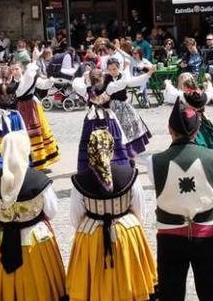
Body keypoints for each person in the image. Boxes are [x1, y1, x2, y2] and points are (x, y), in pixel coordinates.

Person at [147, 100, 213, 301]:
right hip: (206, 232)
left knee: (171, 293)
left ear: (169, 129)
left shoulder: (153, 161)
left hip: (170, 235)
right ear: (197, 130)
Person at [66, 129, 157, 301]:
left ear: (90, 150)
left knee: (94, 282)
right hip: (126, 235)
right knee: (127, 279)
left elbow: (75, 217)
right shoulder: (129, 175)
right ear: (112, 149)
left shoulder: (80, 180)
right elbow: (139, 211)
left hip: (91, 239)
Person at [0, 130, 67, 301]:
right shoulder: (38, 180)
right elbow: (52, 210)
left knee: (2, 287)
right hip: (34, 243)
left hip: (0, 240)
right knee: (38, 285)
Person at [72, 67, 134, 171]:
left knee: (90, 143)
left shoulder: (86, 89)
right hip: (108, 117)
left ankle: (91, 168)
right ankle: (120, 166)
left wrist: (86, 76)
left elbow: (75, 81)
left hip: (92, 118)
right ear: (103, 77)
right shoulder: (109, 87)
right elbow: (124, 82)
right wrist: (126, 69)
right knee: (117, 140)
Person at [14, 60, 61, 170]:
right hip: (19, 109)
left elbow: (43, 85)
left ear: (22, 69)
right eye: (12, 69)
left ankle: (41, 162)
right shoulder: (12, 82)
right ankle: (26, 163)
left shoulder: (30, 78)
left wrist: (50, 80)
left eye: (17, 69)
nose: (14, 71)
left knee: (39, 133)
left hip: (33, 108)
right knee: (24, 135)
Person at [104, 58, 154, 158]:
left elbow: (134, 81)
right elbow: (112, 88)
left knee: (131, 126)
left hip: (124, 106)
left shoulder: (123, 76)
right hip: (111, 108)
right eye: (110, 69)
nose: (112, 72)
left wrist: (148, 73)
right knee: (114, 131)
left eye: (114, 69)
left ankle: (130, 152)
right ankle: (116, 154)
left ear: (118, 68)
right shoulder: (106, 79)